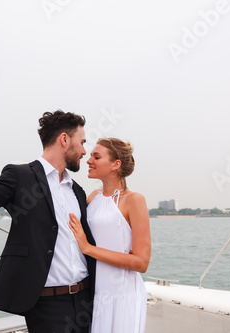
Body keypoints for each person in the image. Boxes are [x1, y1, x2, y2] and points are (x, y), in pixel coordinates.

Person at [0, 103, 96, 333]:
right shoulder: (20, 176)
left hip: (86, 301)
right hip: (47, 307)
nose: (84, 151)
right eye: (82, 142)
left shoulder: (77, 191)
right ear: (64, 139)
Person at [69, 138, 151, 333]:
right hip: (96, 294)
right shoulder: (91, 198)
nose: (89, 161)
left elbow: (141, 263)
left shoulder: (134, 200)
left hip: (124, 296)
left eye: (96, 157)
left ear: (116, 164)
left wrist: (88, 248)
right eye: (90, 156)